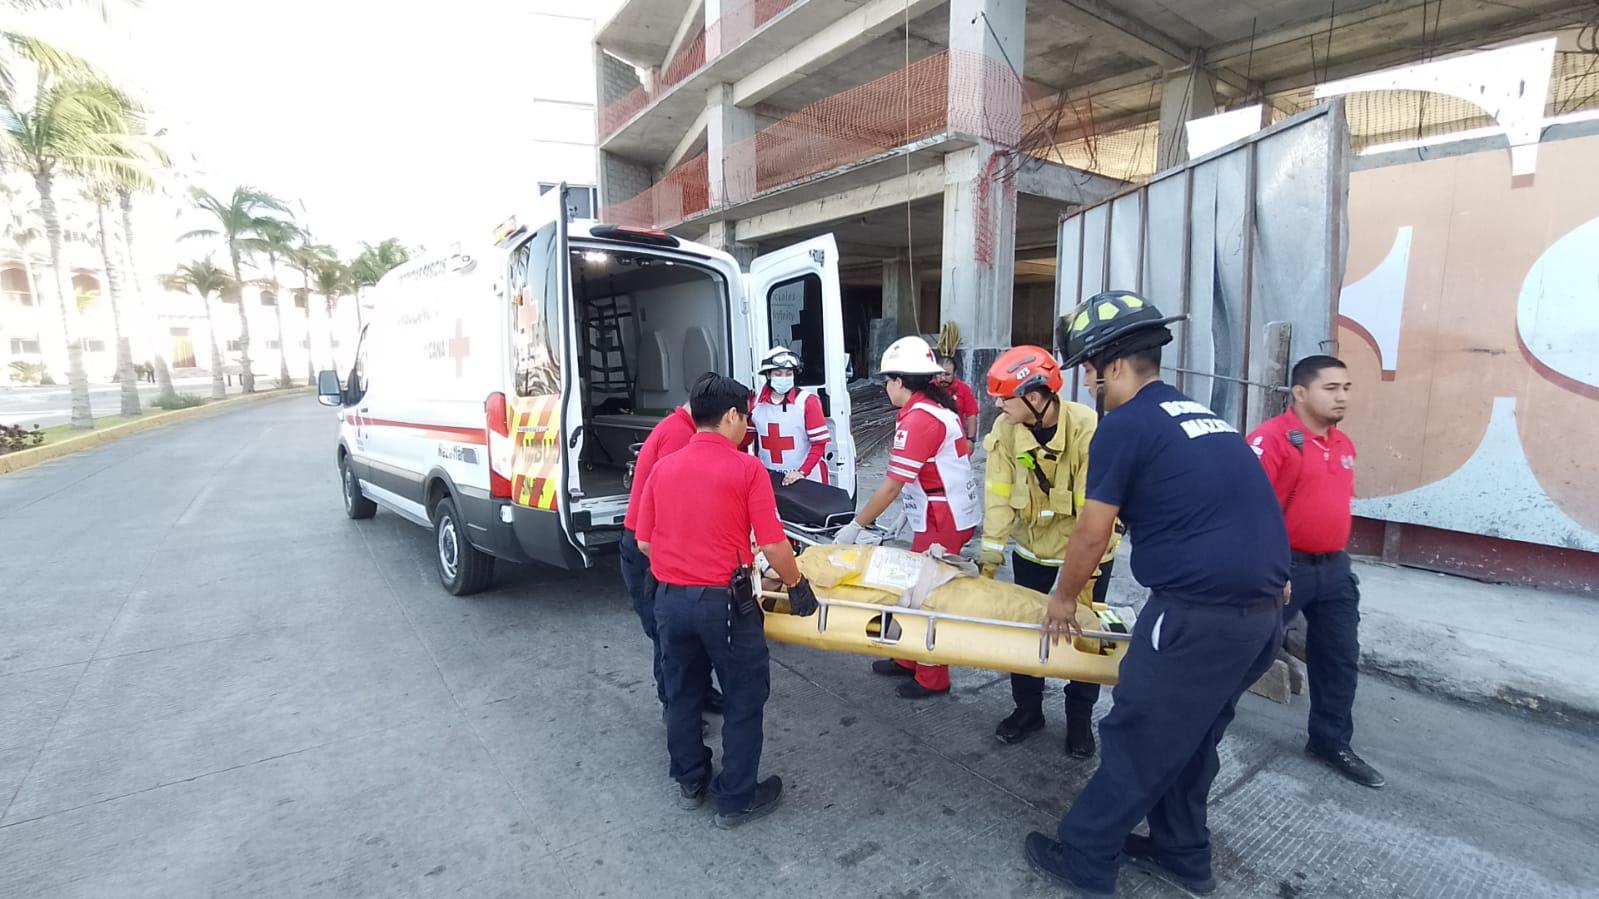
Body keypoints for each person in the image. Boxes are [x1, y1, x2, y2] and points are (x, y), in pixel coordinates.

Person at [1023, 290, 1290, 899]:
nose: (1087, 383)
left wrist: (1063, 598)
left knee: (1139, 738)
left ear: (1115, 364)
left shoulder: (1125, 425)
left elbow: (1093, 531)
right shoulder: (1201, 418)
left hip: (1198, 619)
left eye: (1089, 369)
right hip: (1259, 617)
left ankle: (1086, 857)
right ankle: (1182, 856)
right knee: (1190, 740)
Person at [635, 373, 820, 829]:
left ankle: (690, 780)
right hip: (726, 607)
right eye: (747, 417)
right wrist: (797, 586)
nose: (748, 427)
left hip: (670, 601)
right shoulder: (745, 468)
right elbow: (776, 547)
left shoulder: (664, 467)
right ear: (732, 415)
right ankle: (736, 798)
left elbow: (643, 543)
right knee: (743, 696)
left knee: (682, 693)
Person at [1246, 355, 1384, 789]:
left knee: (1339, 658)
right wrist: (1268, 567)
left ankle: (1330, 741)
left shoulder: (1342, 444)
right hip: (1284, 567)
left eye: (1346, 387)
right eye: (1331, 388)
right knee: (1246, 652)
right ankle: (1200, 727)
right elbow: (1246, 511)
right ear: (1300, 393)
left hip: (1334, 569)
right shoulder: (1271, 441)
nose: (1342, 396)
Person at [978, 345, 1119, 758]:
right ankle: (1028, 710)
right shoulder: (1006, 432)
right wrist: (990, 557)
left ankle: (1079, 722)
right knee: (1025, 632)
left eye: (1005, 398)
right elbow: (999, 496)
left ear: (1036, 398)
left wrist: (1072, 588)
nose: (999, 406)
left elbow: (1093, 515)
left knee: (1086, 636)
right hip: (1033, 550)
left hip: (1089, 554)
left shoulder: (1088, 430)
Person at [833, 336, 981, 699]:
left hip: (943, 517)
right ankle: (908, 659)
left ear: (900, 381)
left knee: (928, 598)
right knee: (911, 589)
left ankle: (932, 678)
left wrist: (856, 526)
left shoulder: (921, 419)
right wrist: (907, 514)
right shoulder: (929, 411)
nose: (885, 387)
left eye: (887, 380)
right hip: (935, 511)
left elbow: (889, 486)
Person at [617, 383, 724, 719]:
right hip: (648, 550)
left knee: (688, 639)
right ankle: (675, 709)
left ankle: (702, 694)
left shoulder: (679, 426)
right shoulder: (679, 438)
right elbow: (676, 505)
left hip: (649, 543)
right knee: (669, 640)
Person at [749, 346, 832, 485]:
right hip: (771, 479)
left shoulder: (808, 402)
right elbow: (746, 439)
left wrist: (801, 472)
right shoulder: (756, 403)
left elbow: (819, 444)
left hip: (808, 479)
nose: (784, 378)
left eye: (788, 373)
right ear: (768, 375)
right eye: (778, 373)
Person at [937, 353, 981, 444]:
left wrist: (970, 439)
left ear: (955, 374)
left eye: (947, 374)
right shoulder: (929, 388)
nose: (943, 378)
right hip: (933, 438)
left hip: (956, 438)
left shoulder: (963, 388)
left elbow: (971, 414)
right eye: (939, 374)